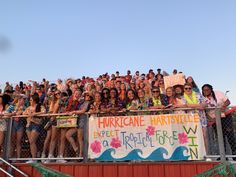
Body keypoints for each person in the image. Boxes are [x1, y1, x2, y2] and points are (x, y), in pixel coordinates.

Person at [202, 84, 236, 159]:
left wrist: (223, 106)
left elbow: (228, 101)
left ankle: (234, 153)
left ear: (211, 89)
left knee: (230, 135)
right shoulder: (203, 98)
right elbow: (204, 111)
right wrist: (211, 119)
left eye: (207, 89)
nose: (206, 91)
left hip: (225, 117)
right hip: (215, 120)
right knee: (220, 137)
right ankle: (223, 156)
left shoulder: (218, 93)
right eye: (204, 90)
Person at [66, 92, 92, 158]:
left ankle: (81, 155)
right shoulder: (81, 102)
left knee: (80, 138)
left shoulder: (87, 103)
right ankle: (76, 149)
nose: (88, 97)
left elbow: (83, 110)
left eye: (89, 96)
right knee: (68, 134)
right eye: (86, 95)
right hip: (76, 121)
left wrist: (74, 112)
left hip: (82, 121)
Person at [23, 93, 46, 163]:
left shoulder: (40, 106)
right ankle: (33, 158)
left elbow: (44, 112)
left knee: (32, 141)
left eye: (31, 100)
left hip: (36, 124)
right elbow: (24, 113)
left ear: (34, 100)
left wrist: (34, 113)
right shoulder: (28, 107)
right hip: (28, 125)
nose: (30, 101)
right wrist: (27, 114)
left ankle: (34, 158)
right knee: (31, 142)